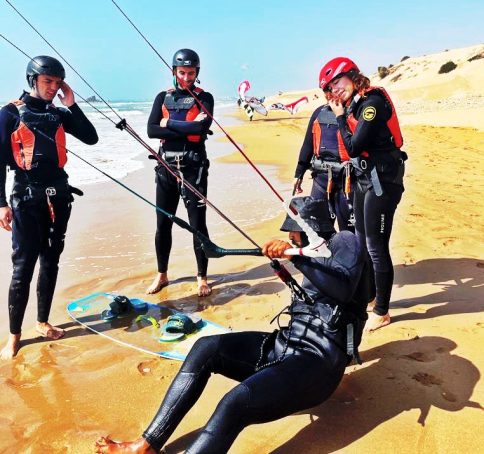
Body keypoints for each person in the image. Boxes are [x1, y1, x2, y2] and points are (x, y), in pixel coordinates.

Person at [95, 196, 370, 454]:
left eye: (294, 235)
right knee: (207, 348)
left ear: (310, 231)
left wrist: (295, 256)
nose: (289, 240)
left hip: (318, 365)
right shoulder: (312, 255)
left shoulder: (344, 243)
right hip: (284, 346)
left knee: (235, 402)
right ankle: (146, 444)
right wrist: (295, 255)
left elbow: (343, 289)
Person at [0, 55, 98, 359]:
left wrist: (71, 103)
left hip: (59, 196)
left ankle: (42, 322)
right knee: (23, 267)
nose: (53, 88)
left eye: (57, 83)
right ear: (33, 80)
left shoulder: (58, 113)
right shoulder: (9, 114)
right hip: (27, 199)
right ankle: (14, 336)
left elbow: (91, 138)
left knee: (51, 260)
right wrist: (1, 204)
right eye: (47, 82)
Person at [319, 57, 407, 331]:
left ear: (352, 76)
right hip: (363, 178)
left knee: (376, 247)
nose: (336, 90)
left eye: (338, 82)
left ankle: (382, 310)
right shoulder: (353, 105)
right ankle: (370, 296)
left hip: (383, 181)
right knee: (360, 241)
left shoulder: (372, 104)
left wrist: (341, 117)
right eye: (330, 87)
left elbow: (354, 146)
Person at [146, 49, 214, 297]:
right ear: (174, 72)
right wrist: (185, 130)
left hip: (194, 167)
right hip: (166, 168)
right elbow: (152, 131)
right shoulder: (162, 98)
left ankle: (202, 277)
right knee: (163, 224)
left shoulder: (204, 98)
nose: (186, 77)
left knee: (198, 225)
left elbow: (201, 127)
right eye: (182, 72)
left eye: (191, 73)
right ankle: (162, 274)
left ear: (197, 73)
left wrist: (170, 125)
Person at [293, 67, 356, 233]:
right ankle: (325, 258)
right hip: (321, 180)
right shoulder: (319, 113)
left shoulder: (356, 112)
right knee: (317, 231)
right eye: (328, 88)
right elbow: (308, 144)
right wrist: (299, 173)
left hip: (348, 182)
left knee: (348, 233)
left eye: (334, 86)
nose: (332, 91)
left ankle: (356, 259)